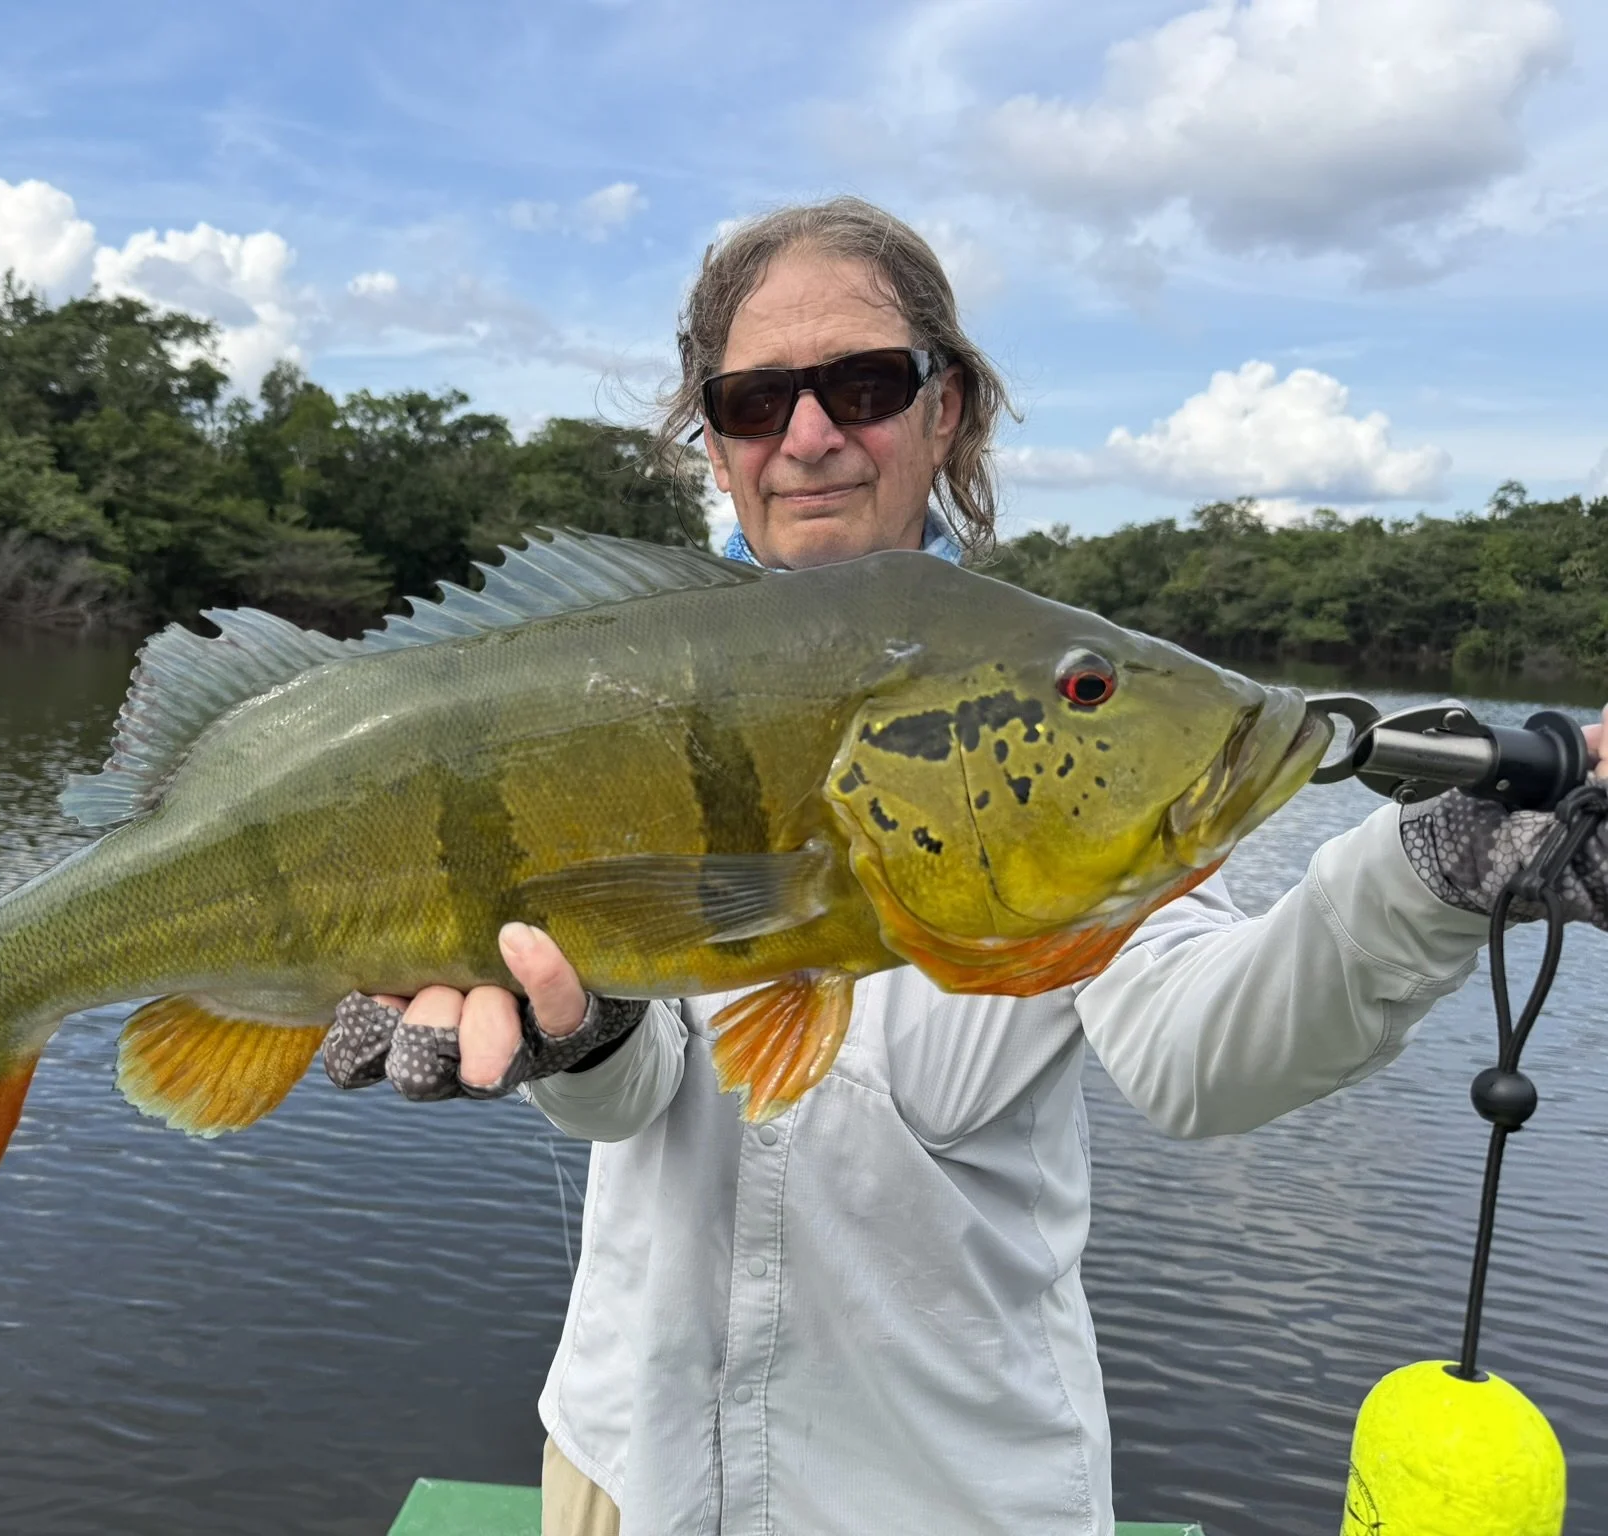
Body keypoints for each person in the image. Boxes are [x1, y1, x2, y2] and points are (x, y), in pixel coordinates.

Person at [321, 197, 1608, 1536]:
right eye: (757, 401)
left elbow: (1199, 1051)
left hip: (941, 1496)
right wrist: (575, 1048)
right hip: (627, 1466)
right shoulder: (604, 685)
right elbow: (634, 1105)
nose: (809, 435)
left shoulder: (1061, 717)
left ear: (950, 414)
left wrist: (1435, 873)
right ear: (714, 444)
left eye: (864, 384)